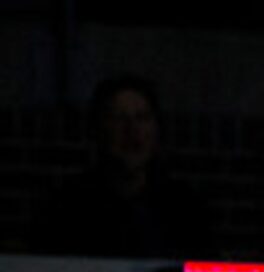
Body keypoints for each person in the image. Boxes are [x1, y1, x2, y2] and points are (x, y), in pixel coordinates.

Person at [31, 74, 211, 261]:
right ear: (98, 129)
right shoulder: (65, 208)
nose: (133, 130)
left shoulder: (183, 208)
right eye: (118, 118)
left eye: (142, 118)